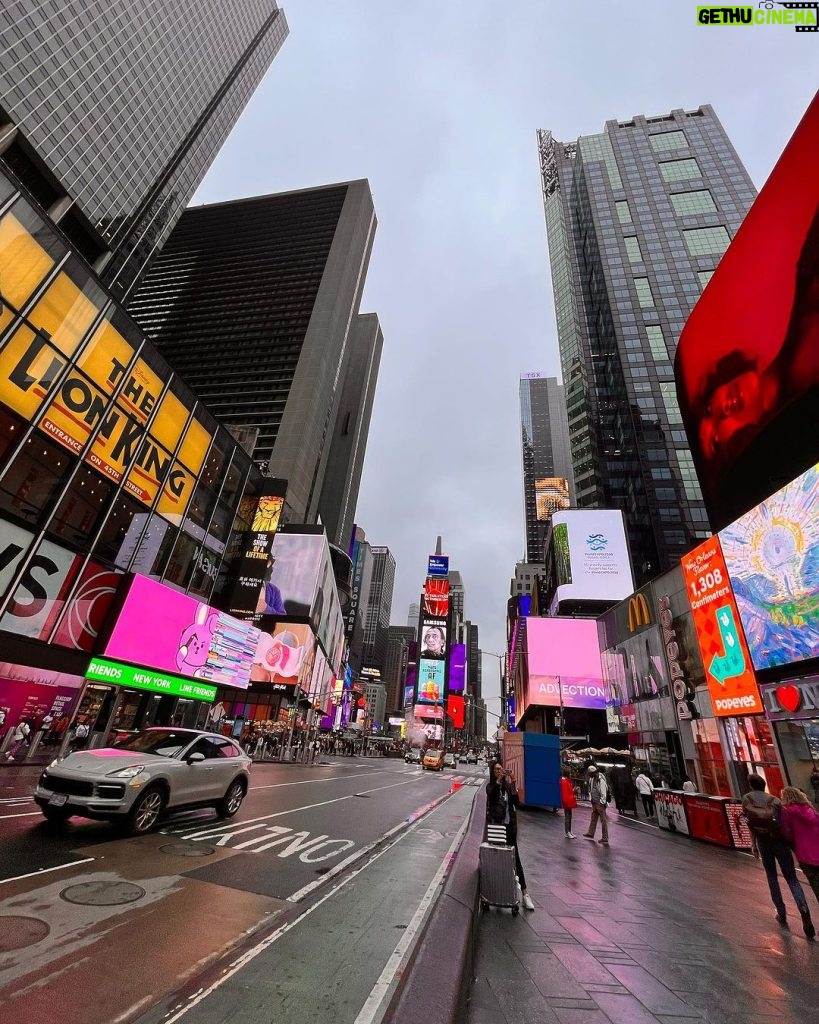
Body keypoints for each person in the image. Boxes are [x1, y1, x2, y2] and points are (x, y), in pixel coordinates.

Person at [742, 774, 814, 939]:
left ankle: (781, 912)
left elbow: (750, 823)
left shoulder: (747, 799)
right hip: (779, 842)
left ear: (751, 785)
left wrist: (753, 845)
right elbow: (784, 825)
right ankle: (804, 912)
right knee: (792, 879)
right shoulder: (774, 800)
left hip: (763, 841)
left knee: (772, 877)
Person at [486, 760, 534, 910]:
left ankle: (525, 894)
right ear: (493, 773)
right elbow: (492, 796)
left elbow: (517, 802)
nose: (500, 772)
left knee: (516, 859)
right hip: (496, 828)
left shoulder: (507, 786)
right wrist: (498, 781)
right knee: (495, 859)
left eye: (501, 769)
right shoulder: (491, 786)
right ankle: (495, 892)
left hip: (509, 828)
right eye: (497, 770)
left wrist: (513, 781)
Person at [779, 787, 819, 907]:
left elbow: (787, 833)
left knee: (815, 884)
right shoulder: (811, 810)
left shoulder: (786, 812)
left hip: (805, 854)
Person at [583, 765, 610, 845]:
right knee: (593, 818)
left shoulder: (600, 780)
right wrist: (591, 799)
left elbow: (603, 793)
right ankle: (591, 833)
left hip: (599, 803)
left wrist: (602, 802)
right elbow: (591, 789)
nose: (589, 775)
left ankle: (605, 837)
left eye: (590, 773)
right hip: (594, 802)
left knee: (603, 820)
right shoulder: (592, 779)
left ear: (594, 773)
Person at [559, 770, 577, 838]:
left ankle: (569, 831)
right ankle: (567, 832)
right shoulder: (565, 781)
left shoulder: (566, 781)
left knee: (569, 816)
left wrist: (573, 791)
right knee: (568, 816)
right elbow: (566, 793)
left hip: (567, 800)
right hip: (567, 801)